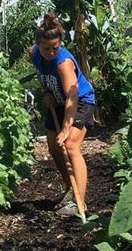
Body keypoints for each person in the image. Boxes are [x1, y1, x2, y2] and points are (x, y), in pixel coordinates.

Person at [29, 14, 97, 218]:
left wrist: (67, 128)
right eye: (46, 48)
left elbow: (73, 95)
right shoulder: (34, 53)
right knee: (53, 147)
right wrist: (45, 93)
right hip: (57, 102)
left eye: (55, 48)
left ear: (60, 44)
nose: (50, 52)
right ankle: (72, 189)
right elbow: (42, 75)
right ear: (38, 45)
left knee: (70, 145)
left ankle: (80, 203)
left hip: (80, 101)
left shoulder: (63, 63)